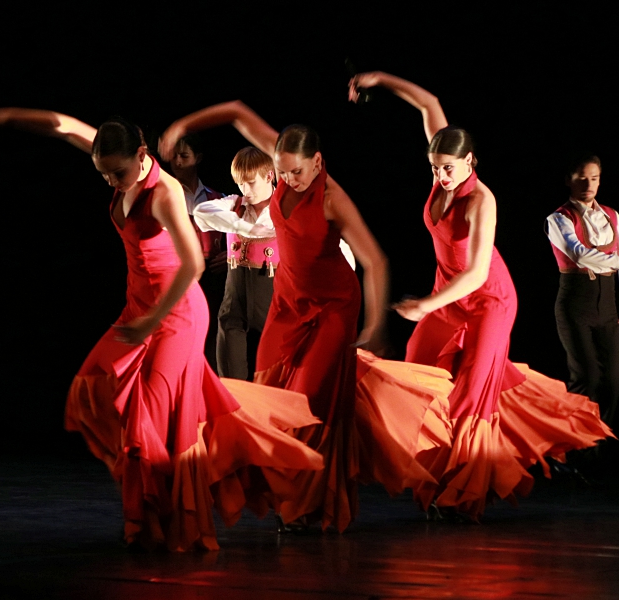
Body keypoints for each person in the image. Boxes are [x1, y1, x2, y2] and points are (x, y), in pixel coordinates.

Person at [0, 107, 325, 551]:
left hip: (175, 315)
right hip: (139, 311)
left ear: (141, 154)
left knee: (155, 426)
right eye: (102, 175)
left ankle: (165, 524)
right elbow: (62, 126)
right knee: (93, 388)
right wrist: (1, 116)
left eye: (116, 174)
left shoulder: (165, 192)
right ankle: (149, 517)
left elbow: (194, 264)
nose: (110, 182)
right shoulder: (115, 159)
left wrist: (151, 323)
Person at [161, 101, 448, 533]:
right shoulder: (283, 163)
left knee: (310, 402)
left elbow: (376, 261)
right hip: (288, 303)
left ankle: (310, 504)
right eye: (282, 171)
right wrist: (183, 121)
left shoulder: (333, 198)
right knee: (267, 392)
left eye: (296, 171)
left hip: (333, 306)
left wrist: (373, 327)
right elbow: (238, 111)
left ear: (317, 162)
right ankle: (289, 491)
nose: (288, 179)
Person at [350, 70, 616, 520]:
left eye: (448, 169)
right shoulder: (443, 172)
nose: (440, 175)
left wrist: (424, 306)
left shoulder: (480, 200)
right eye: (434, 168)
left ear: (470, 161)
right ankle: (433, 472)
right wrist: (381, 80)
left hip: (489, 301)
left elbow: (475, 273)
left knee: (473, 393)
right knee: (419, 370)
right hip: (447, 298)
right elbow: (429, 101)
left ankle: (463, 495)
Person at [195, 147, 358, 381]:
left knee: (275, 381)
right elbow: (201, 212)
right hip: (234, 305)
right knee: (231, 381)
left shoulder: (289, 209)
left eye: (250, 183)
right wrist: (244, 227)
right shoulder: (235, 206)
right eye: (240, 184)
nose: (245, 190)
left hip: (273, 301)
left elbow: (336, 248)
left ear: (269, 176)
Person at [547, 156, 619, 430]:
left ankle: (596, 449)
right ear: (569, 180)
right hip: (575, 303)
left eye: (594, 178)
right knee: (587, 379)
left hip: (606, 304)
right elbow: (581, 255)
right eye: (582, 177)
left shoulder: (612, 215)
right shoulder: (559, 218)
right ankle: (573, 451)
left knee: (611, 383)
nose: (588, 183)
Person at [168, 134, 226, 370]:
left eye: (184, 156)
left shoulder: (218, 198)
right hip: (179, 277)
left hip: (213, 278)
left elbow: (240, 236)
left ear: (198, 158)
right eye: (174, 157)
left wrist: (230, 257)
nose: (178, 162)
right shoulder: (166, 195)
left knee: (213, 341)